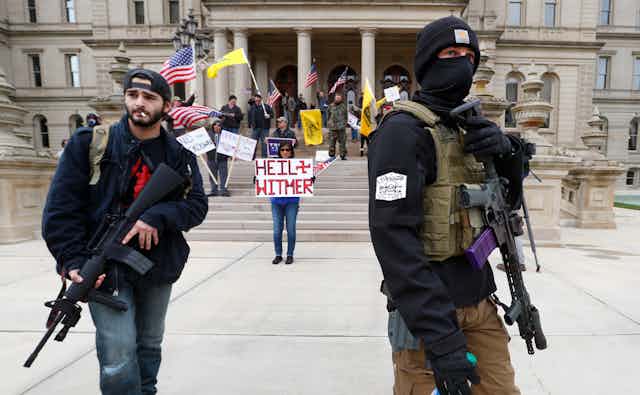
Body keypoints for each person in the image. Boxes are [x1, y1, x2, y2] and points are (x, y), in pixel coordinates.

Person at [368, 16, 528, 395]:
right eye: (450, 53)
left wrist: (507, 156)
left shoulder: (469, 127)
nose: (462, 63)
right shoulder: (402, 132)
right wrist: (441, 339)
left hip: (480, 300)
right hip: (428, 314)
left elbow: (506, 206)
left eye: (469, 55)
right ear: (427, 62)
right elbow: (392, 240)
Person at [42, 68, 208, 395]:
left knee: (149, 344)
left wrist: (158, 215)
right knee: (117, 352)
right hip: (103, 267)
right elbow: (60, 211)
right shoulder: (90, 144)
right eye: (133, 95)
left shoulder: (179, 154)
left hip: (156, 265)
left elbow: (196, 206)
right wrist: (73, 261)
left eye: (149, 97)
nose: (139, 104)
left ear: (168, 105)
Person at [269, 141, 301, 265]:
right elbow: (266, 178)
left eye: (287, 150)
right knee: (277, 230)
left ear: (291, 152)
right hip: (276, 201)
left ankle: (290, 254)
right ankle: (278, 254)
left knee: (291, 229)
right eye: (282, 150)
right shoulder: (272, 165)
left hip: (292, 201)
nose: (285, 152)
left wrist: (309, 179)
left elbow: (302, 180)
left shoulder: (297, 165)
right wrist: (258, 178)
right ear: (279, 152)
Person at [206, 118, 231, 197]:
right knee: (212, 175)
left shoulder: (225, 135)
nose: (217, 127)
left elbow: (229, 146)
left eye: (219, 126)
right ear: (213, 127)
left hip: (222, 159)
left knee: (224, 175)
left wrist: (230, 154)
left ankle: (224, 190)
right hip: (211, 158)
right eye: (215, 125)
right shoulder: (209, 134)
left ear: (221, 127)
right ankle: (214, 190)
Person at [248, 93, 274, 158]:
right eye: (256, 100)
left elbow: (272, 114)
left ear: (261, 100)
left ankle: (264, 157)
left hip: (265, 128)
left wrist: (269, 116)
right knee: (253, 143)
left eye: (258, 100)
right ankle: (252, 156)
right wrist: (250, 124)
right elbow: (249, 116)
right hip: (255, 128)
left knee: (264, 143)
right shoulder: (252, 107)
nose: (257, 102)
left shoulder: (266, 107)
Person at [326, 92, 348, 160]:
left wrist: (344, 123)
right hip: (333, 127)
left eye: (339, 98)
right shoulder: (331, 106)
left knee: (342, 142)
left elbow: (346, 116)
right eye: (337, 98)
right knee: (332, 142)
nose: (338, 99)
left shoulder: (344, 106)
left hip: (341, 127)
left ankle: (343, 155)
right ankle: (331, 155)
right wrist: (329, 123)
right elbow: (328, 115)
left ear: (341, 99)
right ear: (334, 98)